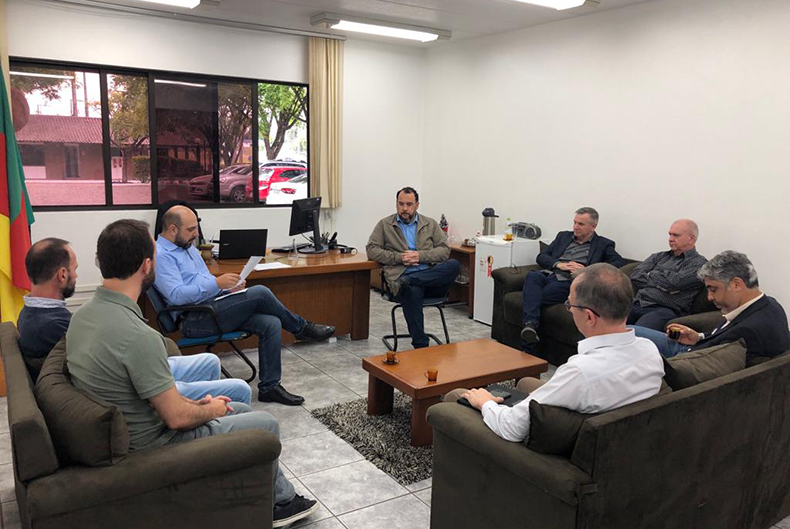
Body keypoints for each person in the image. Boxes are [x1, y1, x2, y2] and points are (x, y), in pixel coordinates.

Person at [66, 219, 317, 527]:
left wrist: (199, 404)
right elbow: (176, 419)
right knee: (265, 424)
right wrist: (209, 408)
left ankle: (252, 492)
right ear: (146, 265)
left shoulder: (81, 316)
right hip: (153, 446)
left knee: (238, 406)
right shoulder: (137, 336)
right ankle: (280, 504)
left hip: (131, 428)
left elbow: (152, 396)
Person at [16, 238, 251, 404]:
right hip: (130, 386)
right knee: (239, 389)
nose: (77, 275)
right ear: (62, 275)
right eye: (75, 269)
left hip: (129, 374)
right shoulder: (53, 326)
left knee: (210, 360)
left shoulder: (30, 314)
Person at [448, 263, 664, 443]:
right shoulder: (649, 350)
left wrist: (485, 402)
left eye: (570, 305)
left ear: (589, 317)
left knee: (458, 395)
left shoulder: (580, 372)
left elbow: (511, 427)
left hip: (547, 453)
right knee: (525, 383)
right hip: (619, 440)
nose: (569, 310)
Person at [154, 205, 335, 406]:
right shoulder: (161, 255)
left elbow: (205, 284)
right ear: (172, 229)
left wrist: (227, 289)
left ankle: (269, 388)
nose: (196, 234)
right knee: (260, 292)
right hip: (194, 319)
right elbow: (176, 296)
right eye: (191, 229)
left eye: (196, 228)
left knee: (271, 323)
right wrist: (217, 284)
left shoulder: (187, 247)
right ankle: (302, 329)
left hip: (213, 307)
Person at [633, 251, 790, 361]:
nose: (709, 297)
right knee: (629, 331)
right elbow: (723, 335)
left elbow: (705, 360)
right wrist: (699, 336)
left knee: (630, 338)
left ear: (736, 284)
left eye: (713, 289)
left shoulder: (747, 331)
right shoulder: (771, 305)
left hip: (686, 357)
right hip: (696, 346)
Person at [366, 187, 460, 349]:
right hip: (402, 282)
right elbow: (372, 250)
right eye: (401, 204)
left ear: (417, 205)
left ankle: (409, 280)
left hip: (431, 281)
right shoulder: (385, 224)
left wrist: (420, 256)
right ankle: (421, 346)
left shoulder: (430, 224)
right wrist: (399, 258)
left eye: (409, 204)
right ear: (396, 204)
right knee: (412, 290)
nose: (404, 208)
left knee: (454, 265)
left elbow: (444, 250)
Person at [520, 207, 625, 351]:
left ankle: (529, 332)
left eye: (581, 224)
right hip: (549, 274)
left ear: (593, 226)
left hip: (568, 281)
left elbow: (619, 263)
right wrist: (559, 264)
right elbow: (542, 256)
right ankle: (530, 328)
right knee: (532, 276)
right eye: (575, 222)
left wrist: (586, 271)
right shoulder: (563, 236)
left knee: (534, 297)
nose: (575, 227)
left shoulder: (603, 244)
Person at [627, 219, 707, 330]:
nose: (670, 239)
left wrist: (651, 274)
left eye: (676, 235)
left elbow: (675, 283)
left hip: (664, 309)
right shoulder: (659, 256)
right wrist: (664, 284)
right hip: (638, 303)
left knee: (638, 332)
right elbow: (636, 275)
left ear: (691, 238)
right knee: (605, 324)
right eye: (670, 234)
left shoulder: (699, 263)